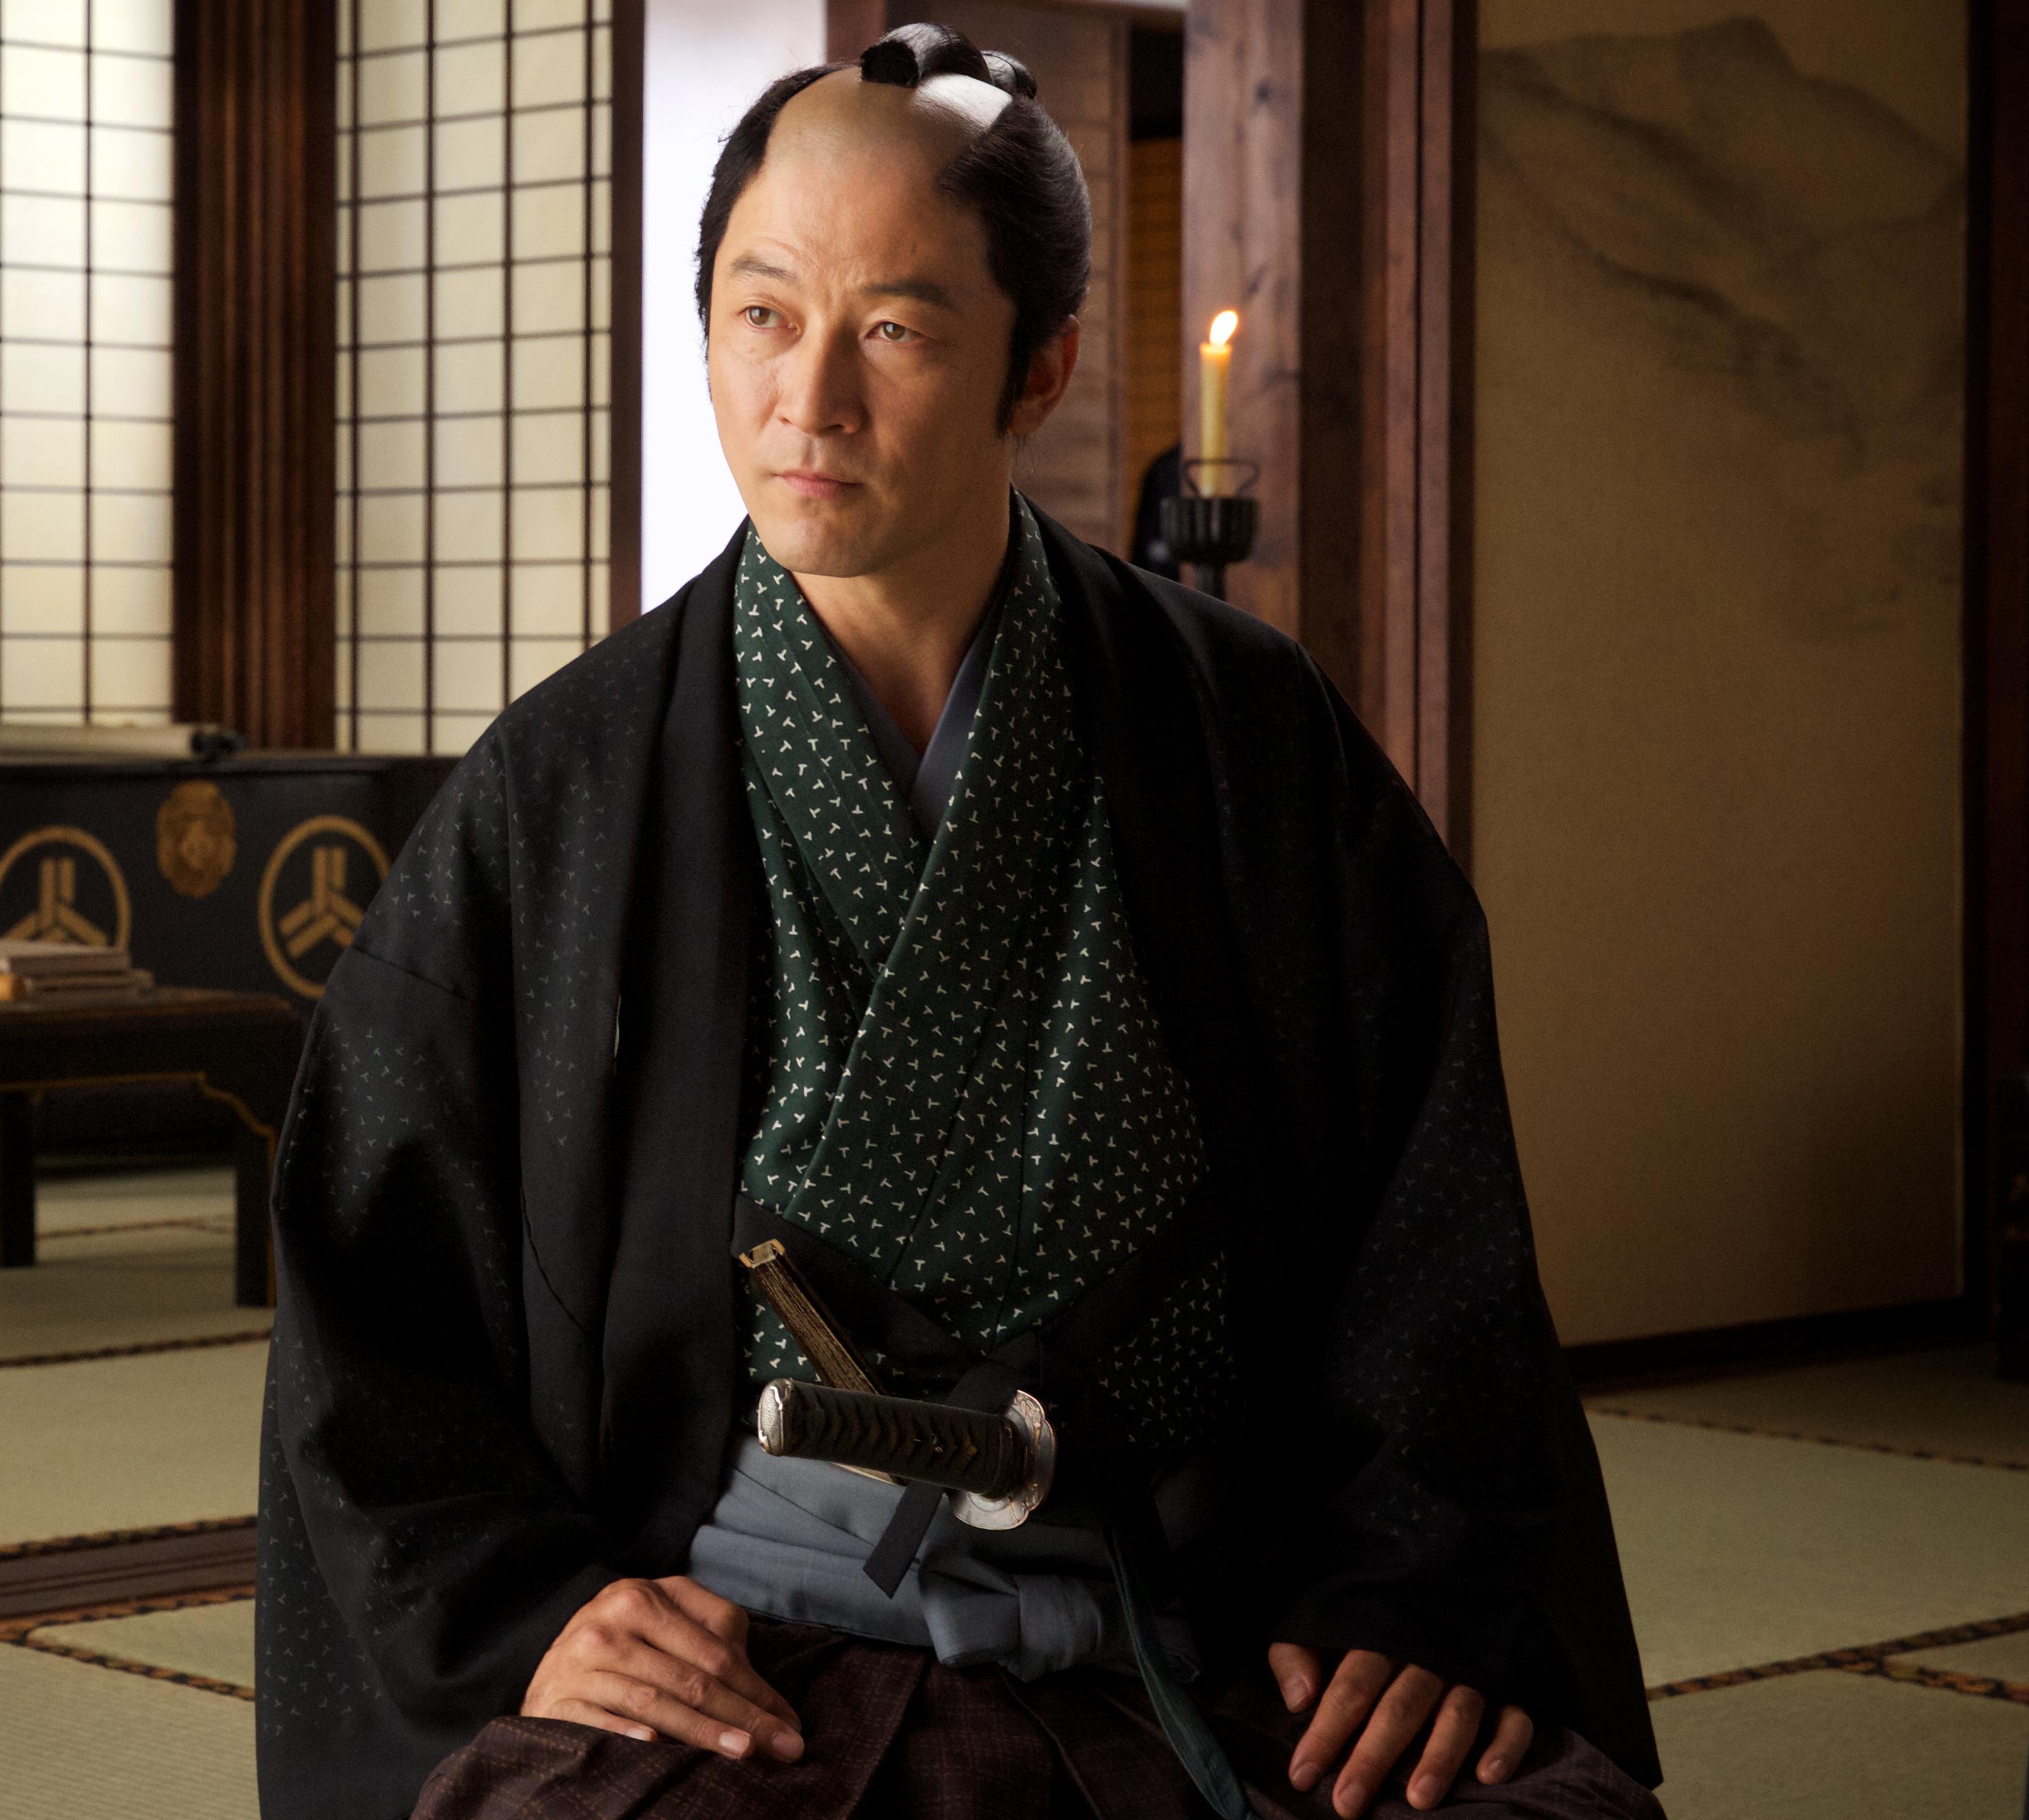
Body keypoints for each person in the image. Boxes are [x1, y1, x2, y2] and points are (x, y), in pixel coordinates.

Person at [257, 25, 1664, 1820]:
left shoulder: (1242, 735)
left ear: (1040, 365)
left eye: (897, 330)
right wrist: (531, 1611)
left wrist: (1402, 1589)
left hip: (1205, 1620)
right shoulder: (565, 788)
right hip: (745, 1651)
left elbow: (1429, 1219)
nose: (809, 398)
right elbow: (373, 1295)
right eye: (762, 316)